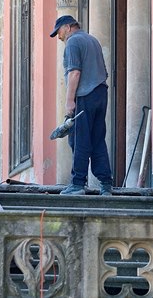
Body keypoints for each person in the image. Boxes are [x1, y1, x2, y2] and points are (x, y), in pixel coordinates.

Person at [50, 15, 113, 196]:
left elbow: (74, 73)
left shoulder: (73, 42)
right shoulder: (92, 40)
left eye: (59, 32)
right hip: (100, 93)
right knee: (97, 139)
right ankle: (106, 184)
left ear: (68, 27)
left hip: (85, 95)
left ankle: (77, 184)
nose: (59, 37)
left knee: (79, 139)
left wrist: (70, 101)